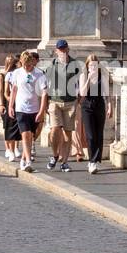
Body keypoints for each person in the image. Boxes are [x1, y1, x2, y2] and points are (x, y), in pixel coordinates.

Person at [7, 49, 48, 173]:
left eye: (29, 65)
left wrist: (41, 111)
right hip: (21, 108)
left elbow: (44, 94)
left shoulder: (39, 74)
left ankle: (23, 159)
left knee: (31, 136)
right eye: (24, 65)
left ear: (32, 63)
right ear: (21, 63)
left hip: (34, 109)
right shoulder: (17, 73)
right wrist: (10, 106)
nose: (27, 68)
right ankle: (29, 161)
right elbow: (14, 89)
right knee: (25, 134)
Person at [45, 39, 81, 173]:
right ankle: (55, 155)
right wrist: (45, 102)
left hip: (70, 102)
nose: (63, 51)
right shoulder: (52, 64)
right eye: (60, 49)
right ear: (56, 51)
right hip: (54, 101)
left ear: (68, 49)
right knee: (55, 129)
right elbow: (45, 84)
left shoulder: (75, 64)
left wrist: (79, 99)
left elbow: (80, 82)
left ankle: (64, 162)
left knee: (67, 133)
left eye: (64, 49)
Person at [79, 54, 112, 174]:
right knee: (90, 135)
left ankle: (95, 159)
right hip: (87, 105)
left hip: (99, 104)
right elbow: (82, 93)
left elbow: (107, 93)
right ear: (87, 65)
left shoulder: (102, 76)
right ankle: (92, 161)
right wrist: (89, 79)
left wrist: (110, 106)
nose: (92, 67)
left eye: (95, 65)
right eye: (90, 65)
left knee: (99, 134)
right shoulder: (84, 75)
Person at [0, 54, 21, 162]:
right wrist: (2, 104)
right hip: (7, 103)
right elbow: (2, 91)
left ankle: (15, 147)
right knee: (8, 126)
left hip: (17, 103)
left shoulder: (18, 73)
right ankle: (9, 148)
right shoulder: (3, 75)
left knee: (17, 127)